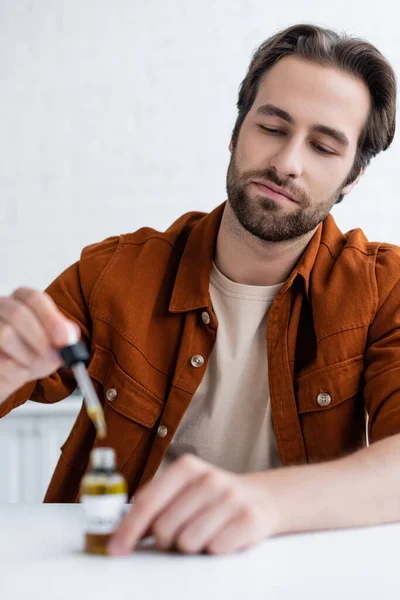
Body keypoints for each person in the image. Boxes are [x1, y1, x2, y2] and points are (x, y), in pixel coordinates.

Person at [0, 23, 398, 557]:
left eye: (324, 146)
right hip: (114, 569)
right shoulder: (115, 272)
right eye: (272, 127)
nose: (287, 164)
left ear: (353, 176)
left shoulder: (382, 288)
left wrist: (267, 503)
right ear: (236, 133)